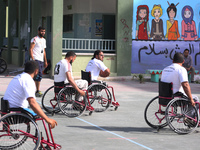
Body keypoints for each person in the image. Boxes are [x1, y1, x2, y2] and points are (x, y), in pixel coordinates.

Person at [3, 61, 57, 129]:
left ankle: (38, 135)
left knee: (36, 113)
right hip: (16, 111)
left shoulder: (18, 77)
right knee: (40, 116)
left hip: (7, 109)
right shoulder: (28, 80)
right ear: (36, 71)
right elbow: (32, 103)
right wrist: (47, 119)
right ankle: (40, 137)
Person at [29, 26, 48, 97]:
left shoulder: (44, 40)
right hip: (36, 59)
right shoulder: (34, 39)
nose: (43, 32)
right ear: (38, 31)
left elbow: (44, 51)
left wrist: (45, 61)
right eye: (41, 31)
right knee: (37, 74)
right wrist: (33, 59)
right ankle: (32, 90)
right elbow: (31, 49)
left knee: (39, 76)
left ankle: (37, 90)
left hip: (41, 60)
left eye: (44, 31)